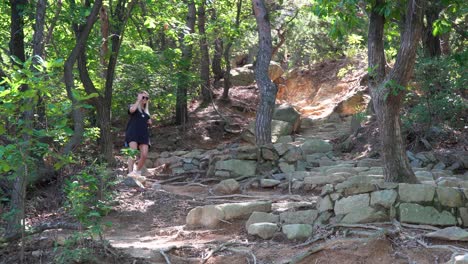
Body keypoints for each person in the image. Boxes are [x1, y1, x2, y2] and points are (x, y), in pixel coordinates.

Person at [125, 91, 152, 178]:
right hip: (133, 132)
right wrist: (138, 100)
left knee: (144, 155)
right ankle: (130, 173)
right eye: (143, 97)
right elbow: (132, 110)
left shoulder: (146, 112)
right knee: (133, 153)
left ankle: (137, 172)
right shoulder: (133, 106)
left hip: (144, 134)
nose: (144, 99)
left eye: (146, 98)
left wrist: (149, 121)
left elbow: (148, 122)